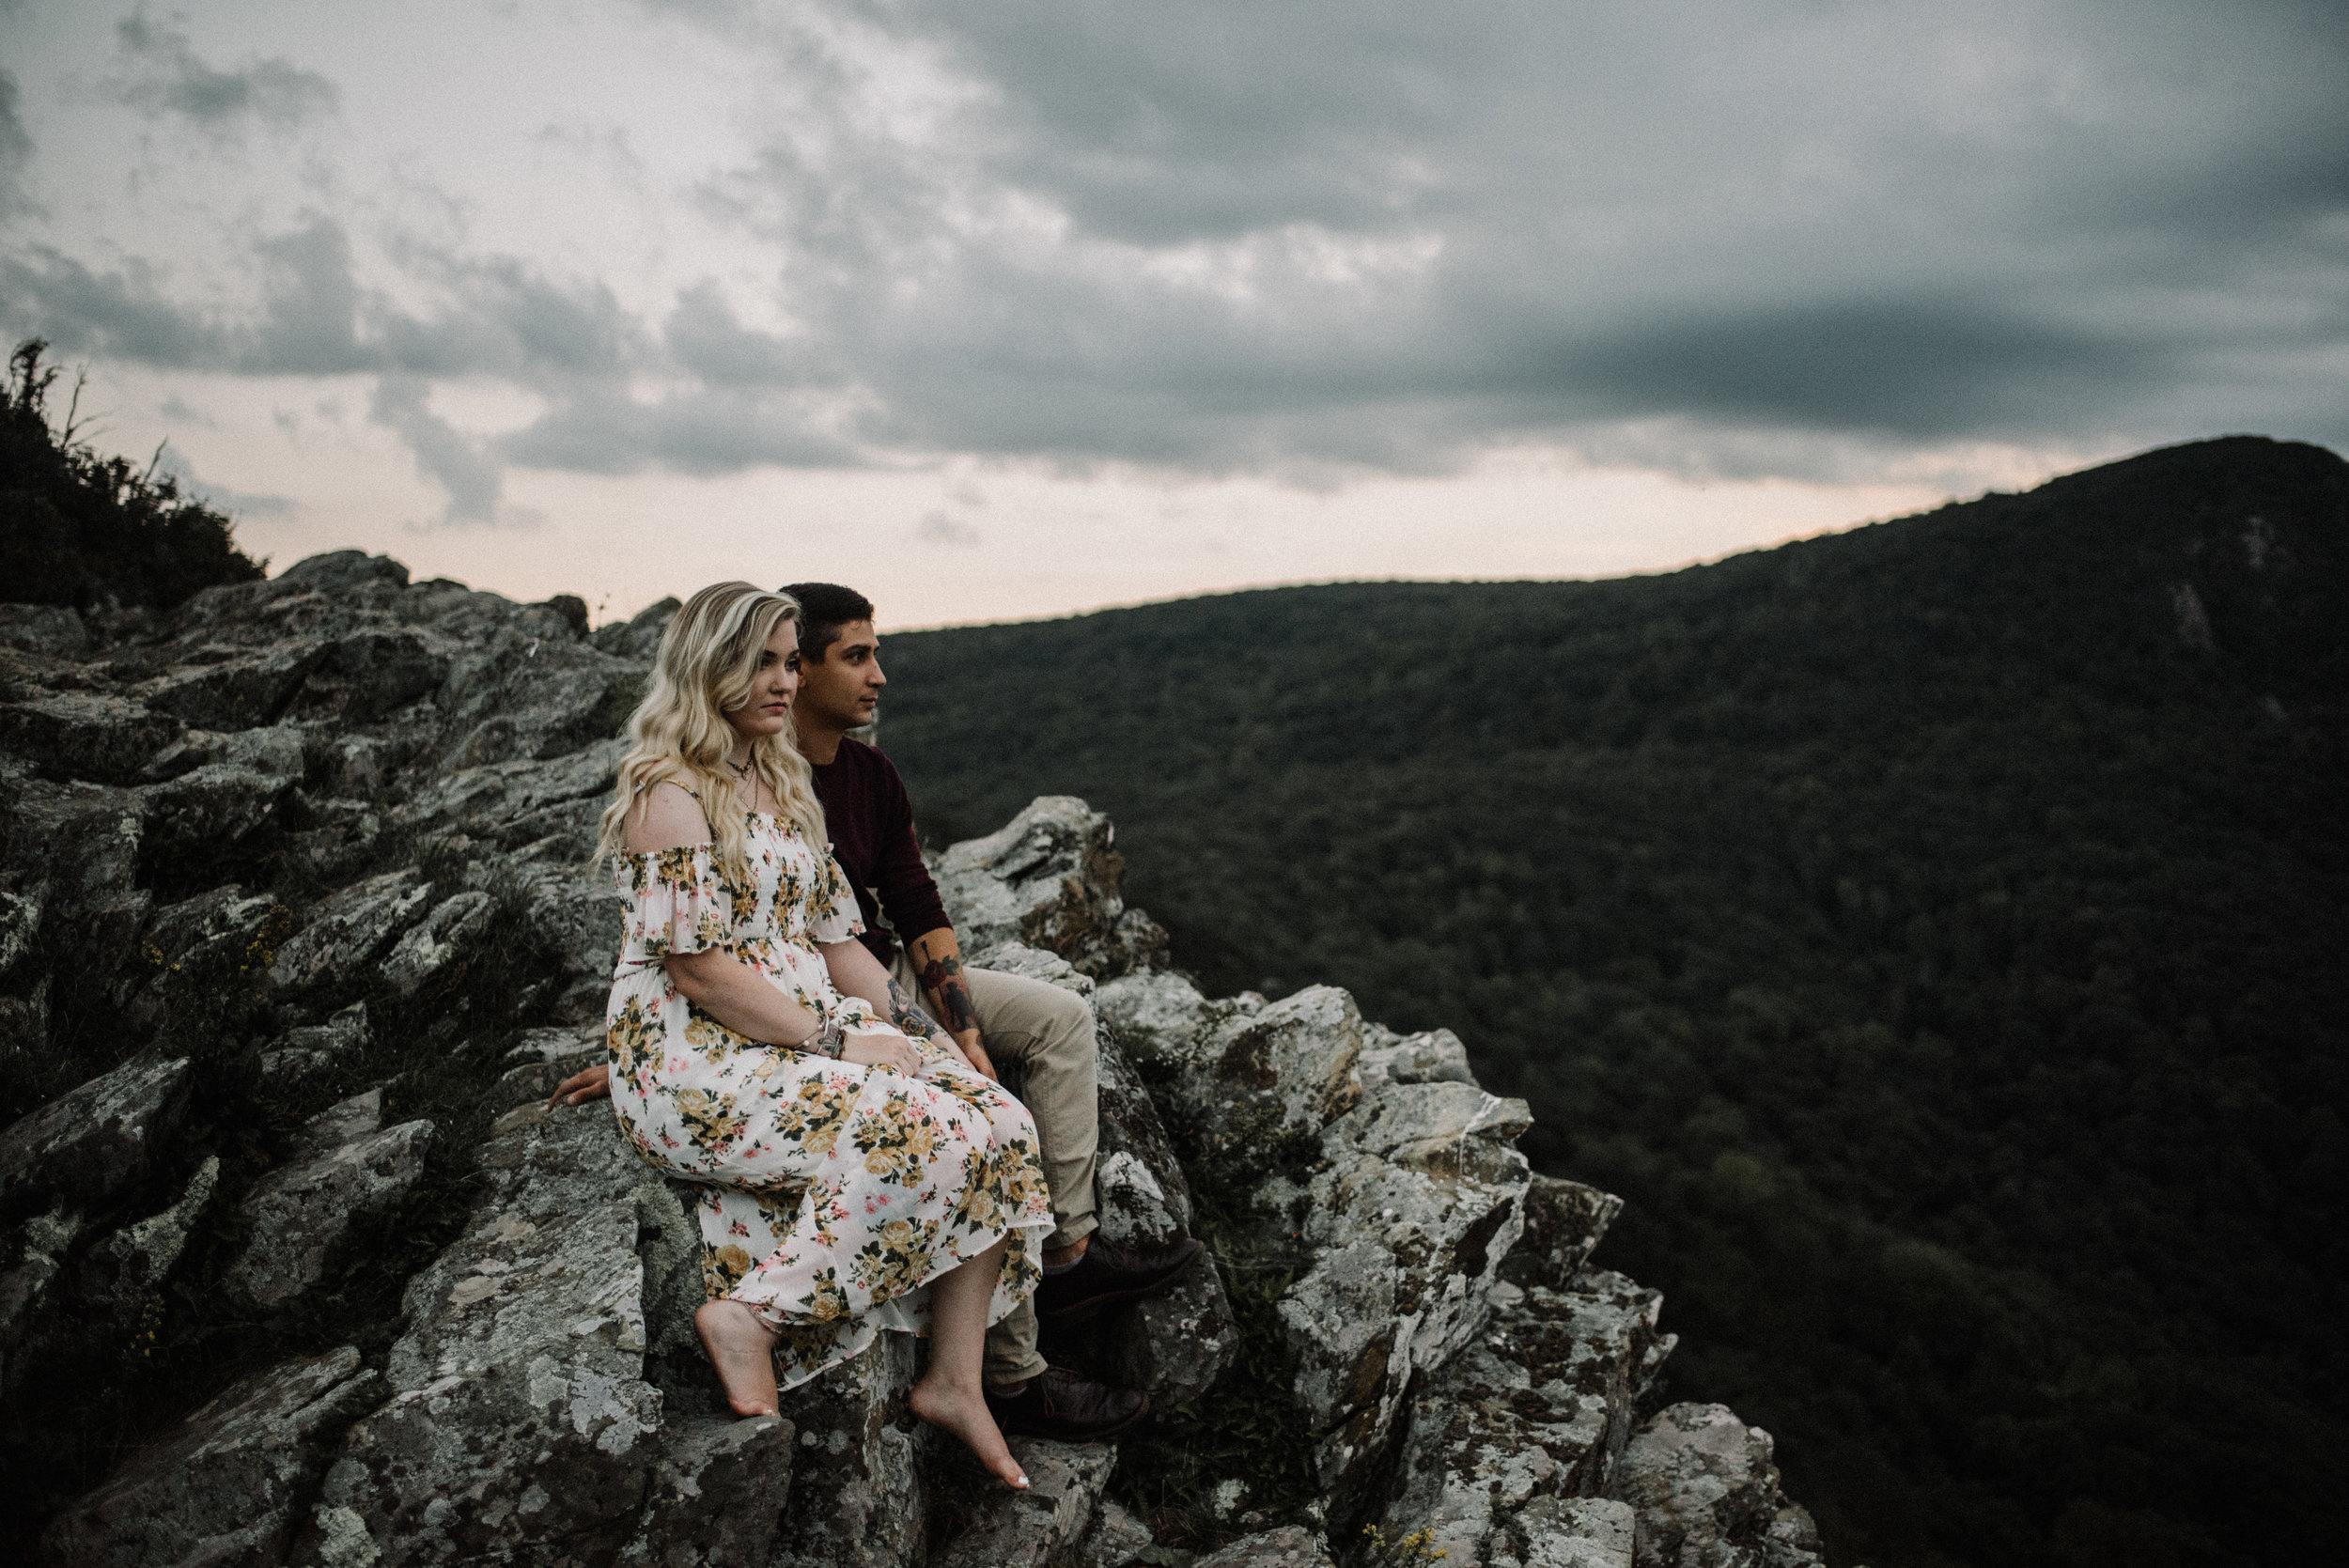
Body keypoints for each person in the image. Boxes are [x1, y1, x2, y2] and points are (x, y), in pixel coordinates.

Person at [588, 580, 1046, 1490]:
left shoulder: (783, 778)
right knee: (919, 1132)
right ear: (706, 665)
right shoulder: (668, 793)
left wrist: (925, 1038)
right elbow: (698, 971)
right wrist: (837, 1046)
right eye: (761, 661)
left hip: (800, 1024)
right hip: (697, 1051)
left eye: (789, 661)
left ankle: (955, 1379)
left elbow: (838, 942)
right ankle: (751, 1314)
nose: (783, 681)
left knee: (997, 1118)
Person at [779, 582, 1203, 1440]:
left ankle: (1071, 1253)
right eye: (856, 656)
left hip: (881, 960)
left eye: (876, 651)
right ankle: (1012, 1377)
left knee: (1060, 1019)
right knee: (985, 1121)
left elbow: (917, 900)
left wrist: (965, 1027)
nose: (880, 676)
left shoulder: (868, 774)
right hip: (815, 993)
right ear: (802, 666)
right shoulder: (761, 784)